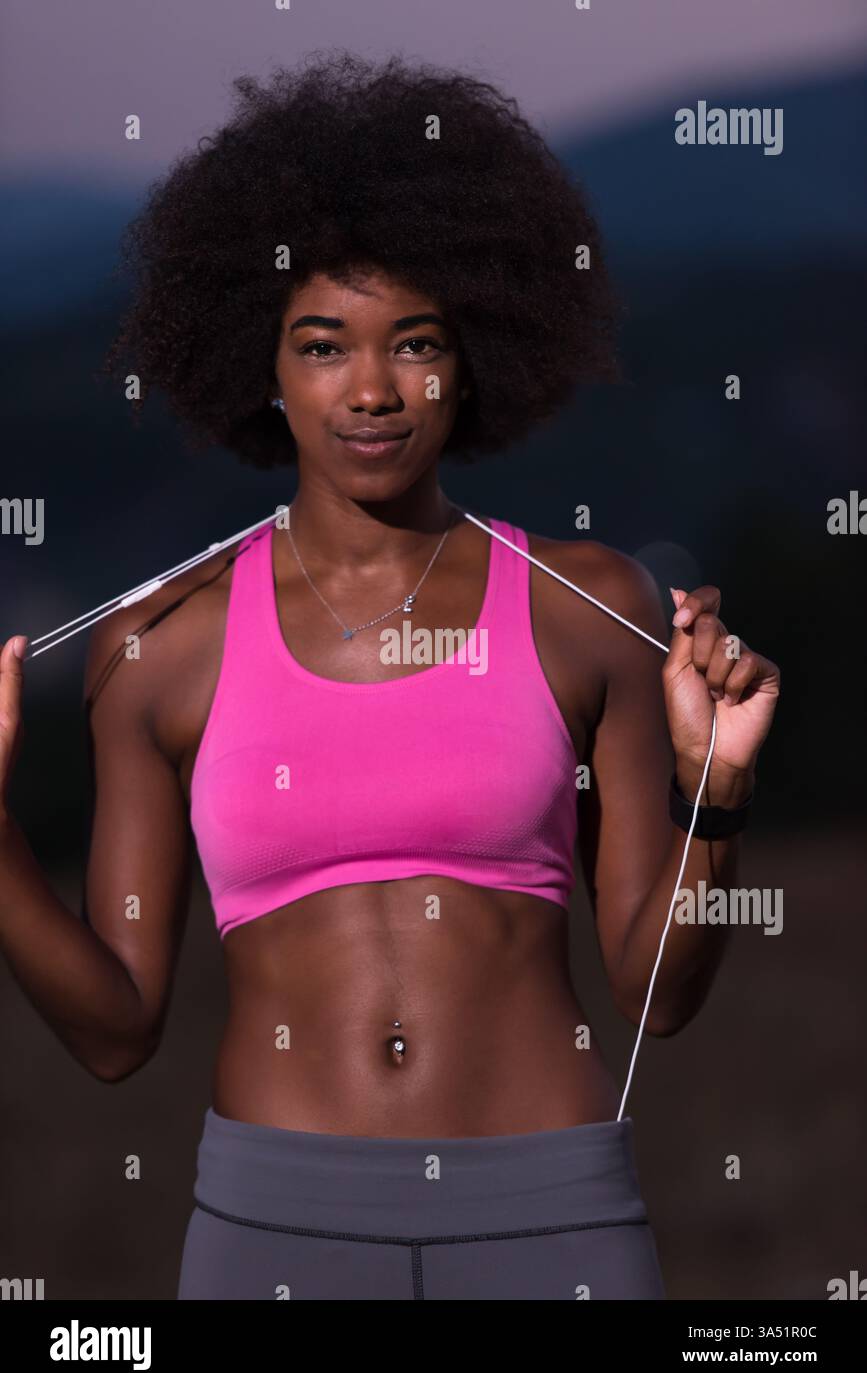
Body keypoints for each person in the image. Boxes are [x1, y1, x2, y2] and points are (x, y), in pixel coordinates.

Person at [0, 51, 779, 1301]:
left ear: (471, 358)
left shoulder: (591, 609)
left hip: (551, 1214)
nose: (372, 390)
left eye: (414, 343)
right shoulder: (158, 649)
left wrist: (713, 793)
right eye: (322, 346)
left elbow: (660, 991)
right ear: (264, 366)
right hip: (272, 1226)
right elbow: (113, 1028)